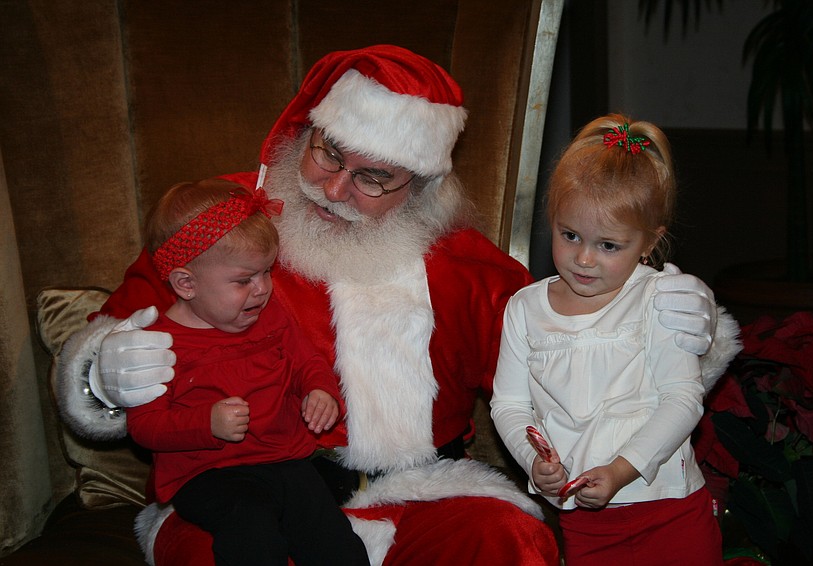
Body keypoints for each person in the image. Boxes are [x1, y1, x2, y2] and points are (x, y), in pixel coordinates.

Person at [56, 46, 738, 566]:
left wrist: (679, 335)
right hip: (245, 485)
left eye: (375, 177)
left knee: (509, 542)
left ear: (420, 185)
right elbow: (109, 340)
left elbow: (576, 353)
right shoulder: (224, 223)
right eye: (328, 153)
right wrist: (104, 373)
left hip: (419, 491)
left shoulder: (469, 269)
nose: (334, 186)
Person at [491, 114, 738, 565]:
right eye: (570, 236)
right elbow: (508, 405)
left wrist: (621, 470)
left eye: (609, 245)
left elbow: (682, 399)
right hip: (586, 521)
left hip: (668, 506)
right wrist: (533, 463)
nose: (584, 258)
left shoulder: (659, 298)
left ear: (648, 242)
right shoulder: (524, 310)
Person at [125, 179, 369, 566]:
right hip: (209, 474)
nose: (262, 290)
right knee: (251, 533)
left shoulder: (270, 315)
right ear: (186, 283)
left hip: (286, 460)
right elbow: (144, 427)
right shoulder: (156, 345)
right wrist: (205, 422)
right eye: (244, 280)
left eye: (266, 272)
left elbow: (308, 361)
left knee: (333, 539)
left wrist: (320, 391)